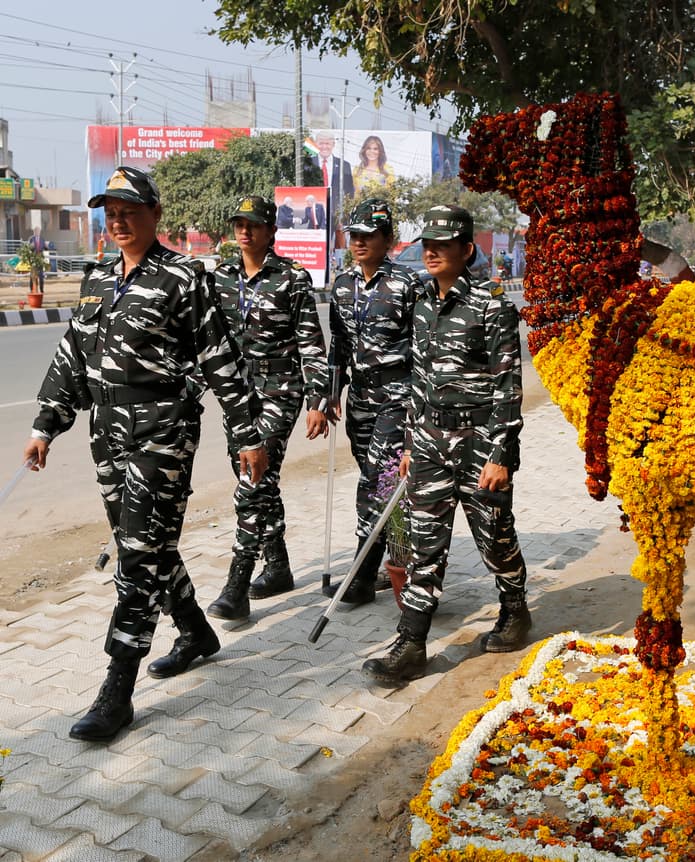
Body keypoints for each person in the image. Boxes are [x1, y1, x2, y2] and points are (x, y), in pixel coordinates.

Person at [21, 166, 266, 743]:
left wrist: (247, 434)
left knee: (137, 556)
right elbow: (71, 356)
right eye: (111, 211)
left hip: (164, 429)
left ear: (155, 214)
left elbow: (222, 359)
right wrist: (44, 427)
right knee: (149, 545)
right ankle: (196, 632)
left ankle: (117, 688)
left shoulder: (185, 278)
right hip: (107, 430)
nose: (119, 221)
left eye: (131, 210)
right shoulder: (97, 279)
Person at [362, 204, 529, 686]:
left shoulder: (492, 304)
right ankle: (411, 643)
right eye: (426, 245)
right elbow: (417, 378)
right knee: (422, 544)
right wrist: (413, 439)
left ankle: (515, 609)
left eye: (442, 244)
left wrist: (500, 454)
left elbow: (508, 387)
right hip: (431, 442)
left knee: (494, 538)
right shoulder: (421, 305)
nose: (431, 252)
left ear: (466, 249)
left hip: (479, 442)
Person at [204, 196, 331, 621]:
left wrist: (317, 399)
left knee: (252, 481)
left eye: (253, 224)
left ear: (270, 231)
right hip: (237, 395)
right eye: (239, 224)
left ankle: (236, 585)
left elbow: (312, 343)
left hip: (280, 389)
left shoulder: (292, 278)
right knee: (260, 479)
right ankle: (277, 567)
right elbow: (208, 342)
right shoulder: (220, 278)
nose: (244, 231)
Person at [323, 198, 419, 606]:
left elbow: (421, 349)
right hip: (360, 398)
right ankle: (397, 559)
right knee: (381, 482)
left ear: (386, 239)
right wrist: (329, 394)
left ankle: (362, 576)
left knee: (374, 485)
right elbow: (338, 347)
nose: (360, 243)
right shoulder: (342, 286)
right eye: (355, 236)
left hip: (396, 398)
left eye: (369, 236)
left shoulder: (406, 285)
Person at [27, 225, 50, 292]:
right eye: (36, 231)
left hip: (40, 259)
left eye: (38, 231)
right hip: (33, 259)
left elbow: (46, 248)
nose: (37, 232)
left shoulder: (42, 239)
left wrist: (47, 246)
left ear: (40, 232)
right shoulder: (31, 239)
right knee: (32, 275)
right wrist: (31, 246)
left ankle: (42, 289)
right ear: (34, 232)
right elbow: (28, 248)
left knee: (41, 275)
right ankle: (32, 289)